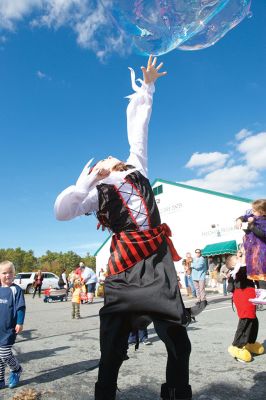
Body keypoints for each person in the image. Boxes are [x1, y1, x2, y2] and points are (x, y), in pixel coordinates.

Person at [55, 55, 201, 400]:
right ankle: (105, 392)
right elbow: (62, 212)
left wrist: (148, 85)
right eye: (101, 160)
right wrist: (86, 182)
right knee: (112, 346)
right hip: (123, 265)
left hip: (157, 259)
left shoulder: (137, 166)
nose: (107, 157)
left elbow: (138, 127)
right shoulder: (94, 197)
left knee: (177, 337)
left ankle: (178, 392)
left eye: (109, 157)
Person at [227, 252, 264, 362]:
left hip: (248, 297)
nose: (240, 257)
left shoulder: (243, 268)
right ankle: (237, 346)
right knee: (245, 321)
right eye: (237, 258)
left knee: (253, 320)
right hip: (242, 297)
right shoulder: (237, 271)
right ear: (233, 265)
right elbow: (243, 265)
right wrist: (244, 253)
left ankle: (250, 342)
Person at [0, 261, 25, 389]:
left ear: (14, 274)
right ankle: (0, 380)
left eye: (10, 272)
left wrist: (20, 322)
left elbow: (21, 308)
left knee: (4, 353)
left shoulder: (16, 290)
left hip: (9, 328)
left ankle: (16, 369)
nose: (7, 275)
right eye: (4, 273)